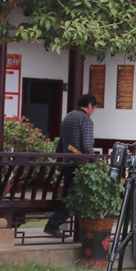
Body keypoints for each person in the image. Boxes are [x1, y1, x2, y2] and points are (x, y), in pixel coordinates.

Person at [43, 93, 97, 237]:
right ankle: (54, 224)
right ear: (90, 105)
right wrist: (94, 163)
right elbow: (87, 145)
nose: (93, 112)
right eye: (94, 108)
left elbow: (61, 141)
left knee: (68, 195)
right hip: (80, 165)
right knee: (73, 197)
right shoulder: (85, 120)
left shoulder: (68, 117)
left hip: (67, 163)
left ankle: (54, 225)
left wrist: (59, 160)